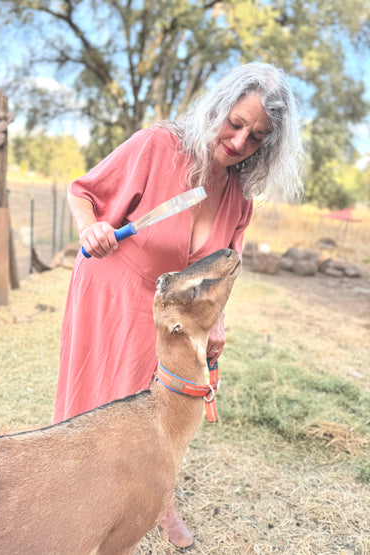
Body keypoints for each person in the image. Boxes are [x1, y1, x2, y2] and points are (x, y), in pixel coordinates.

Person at [53, 62, 304, 549]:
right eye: (235, 123)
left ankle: (158, 498)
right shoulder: (158, 145)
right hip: (115, 286)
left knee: (163, 408)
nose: (237, 142)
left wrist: (220, 322)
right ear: (217, 107)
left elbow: (223, 271)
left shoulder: (238, 199)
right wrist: (91, 228)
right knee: (105, 399)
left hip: (173, 314)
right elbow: (81, 191)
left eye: (255, 138)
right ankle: (80, 487)